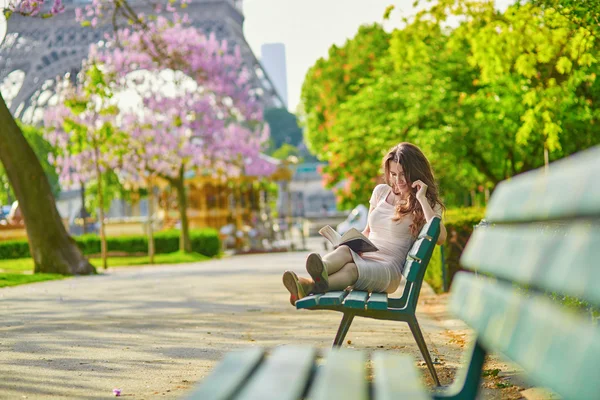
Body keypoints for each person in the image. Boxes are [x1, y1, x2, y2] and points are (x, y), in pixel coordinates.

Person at [282, 142, 447, 305]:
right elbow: (368, 231)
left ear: (416, 172)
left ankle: (310, 283)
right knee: (345, 249)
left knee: (351, 270)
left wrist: (422, 200)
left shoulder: (427, 203)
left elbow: (440, 237)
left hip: (388, 268)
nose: (398, 181)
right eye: (393, 174)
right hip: (367, 256)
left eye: (403, 174)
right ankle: (318, 272)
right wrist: (351, 242)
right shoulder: (381, 192)